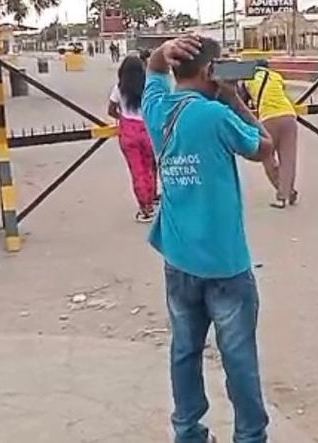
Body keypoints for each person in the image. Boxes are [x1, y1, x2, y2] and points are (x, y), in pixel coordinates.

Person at [142, 35, 274, 443]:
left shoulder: (156, 110)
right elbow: (265, 146)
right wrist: (233, 99)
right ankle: (250, 436)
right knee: (238, 360)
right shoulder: (216, 117)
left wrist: (162, 53)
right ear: (209, 72)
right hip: (225, 263)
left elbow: (152, 71)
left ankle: (187, 431)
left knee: (185, 350)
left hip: (178, 259)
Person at [243, 61, 299, 208]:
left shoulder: (249, 79)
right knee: (288, 158)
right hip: (289, 115)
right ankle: (286, 193)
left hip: (268, 118)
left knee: (267, 155)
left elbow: (243, 100)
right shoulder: (276, 76)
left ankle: (283, 193)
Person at [109, 54, 157, 222]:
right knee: (149, 167)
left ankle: (144, 208)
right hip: (147, 130)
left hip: (129, 132)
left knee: (136, 170)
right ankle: (151, 201)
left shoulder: (119, 88)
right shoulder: (148, 87)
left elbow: (111, 110)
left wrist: (122, 116)